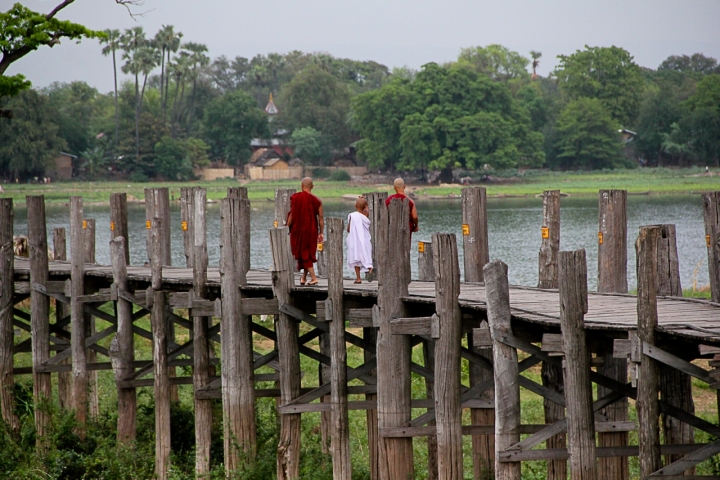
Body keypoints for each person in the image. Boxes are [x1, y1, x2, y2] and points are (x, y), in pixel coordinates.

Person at [287, 177, 324, 285]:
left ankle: (314, 278)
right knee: (307, 253)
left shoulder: (296, 197)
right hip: (312, 230)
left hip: (300, 230)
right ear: (312, 186)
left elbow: (292, 215)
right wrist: (321, 232)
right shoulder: (317, 201)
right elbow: (321, 219)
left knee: (304, 253)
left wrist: (285, 227)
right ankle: (303, 278)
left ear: (302, 186)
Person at [347, 197, 373, 284]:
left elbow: (348, 229)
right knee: (366, 254)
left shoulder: (353, 216)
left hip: (355, 241)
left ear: (355, 206)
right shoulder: (365, 216)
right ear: (365, 207)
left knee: (356, 259)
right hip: (365, 240)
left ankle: (358, 278)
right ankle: (369, 267)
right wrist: (366, 206)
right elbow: (367, 212)